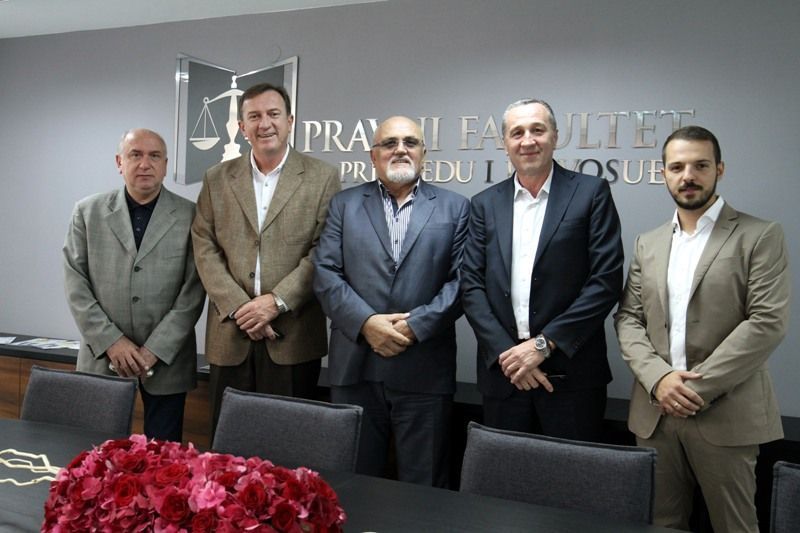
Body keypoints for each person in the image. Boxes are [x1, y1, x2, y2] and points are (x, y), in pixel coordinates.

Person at [615, 126, 790, 532]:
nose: (688, 176)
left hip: (726, 414)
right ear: (663, 173)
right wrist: (660, 380)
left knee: (734, 526)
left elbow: (766, 322)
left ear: (719, 170)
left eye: (700, 166)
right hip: (655, 414)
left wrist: (692, 390)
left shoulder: (760, 235)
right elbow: (628, 318)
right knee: (660, 524)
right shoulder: (648, 243)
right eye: (677, 167)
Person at [313, 116, 469, 487]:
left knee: (424, 485)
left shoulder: (456, 207)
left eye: (410, 142)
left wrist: (414, 327)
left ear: (424, 153)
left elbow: (463, 282)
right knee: (351, 484)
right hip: (355, 366)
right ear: (373, 155)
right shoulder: (344, 204)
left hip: (424, 368)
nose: (400, 149)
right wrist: (367, 324)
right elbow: (325, 273)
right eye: (389, 143)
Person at [461, 98, 624, 441]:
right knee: (502, 471)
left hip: (571, 378)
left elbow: (605, 281)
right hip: (505, 375)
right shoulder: (484, 204)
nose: (528, 140)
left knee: (572, 472)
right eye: (517, 132)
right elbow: (471, 285)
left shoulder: (591, 193)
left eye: (537, 130)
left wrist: (541, 346)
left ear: (555, 136)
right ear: (505, 143)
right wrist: (509, 356)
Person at [191, 83, 340, 434]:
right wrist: (241, 308)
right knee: (228, 447)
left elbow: (324, 249)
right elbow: (204, 245)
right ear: (242, 127)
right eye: (254, 116)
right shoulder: (216, 178)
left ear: (290, 121)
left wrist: (276, 302)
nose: (265, 124)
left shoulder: (323, 177)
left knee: (289, 444)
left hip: (293, 335)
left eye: (273, 114)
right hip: (230, 334)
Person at [63, 128, 205, 442]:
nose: (145, 164)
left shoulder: (191, 216)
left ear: (165, 165)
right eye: (135, 155)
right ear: (119, 162)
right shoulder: (87, 212)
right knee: (96, 455)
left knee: (164, 458)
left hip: (167, 361)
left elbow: (194, 291)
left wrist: (156, 349)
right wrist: (111, 341)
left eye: (154, 156)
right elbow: (76, 284)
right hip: (103, 357)